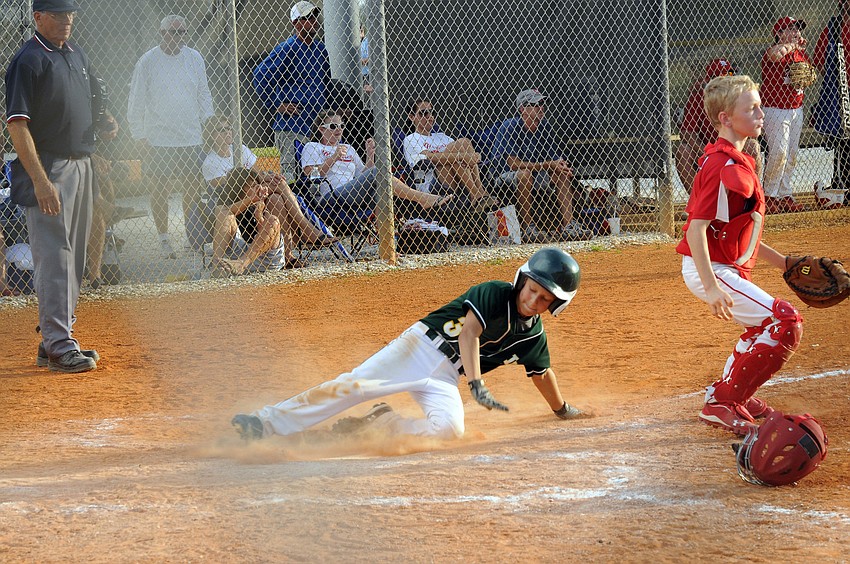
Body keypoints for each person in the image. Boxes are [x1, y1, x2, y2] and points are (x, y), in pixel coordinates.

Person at [231, 247, 587, 442]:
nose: (532, 300)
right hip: (420, 348)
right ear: (521, 281)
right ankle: (263, 424)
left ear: (556, 306)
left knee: (450, 429)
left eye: (544, 299)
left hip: (446, 376)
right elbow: (469, 334)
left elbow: (541, 374)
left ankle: (383, 423)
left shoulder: (532, 336)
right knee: (353, 386)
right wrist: (477, 385)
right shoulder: (494, 292)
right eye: (532, 289)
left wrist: (562, 409)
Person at [676, 75, 804, 436]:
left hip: (721, 266)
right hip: (710, 268)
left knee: (761, 324)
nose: (762, 113)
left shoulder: (740, 159)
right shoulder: (722, 166)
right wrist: (713, 287)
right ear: (725, 119)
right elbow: (696, 229)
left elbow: (738, 231)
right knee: (785, 322)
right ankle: (722, 403)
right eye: (751, 109)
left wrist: (785, 264)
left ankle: (731, 393)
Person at [5, 0, 119, 372]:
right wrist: (40, 180)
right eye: (58, 14)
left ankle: (56, 337)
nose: (67, 19)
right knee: (55, 256)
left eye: (70, 13)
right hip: (51, 167)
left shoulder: (75, 53)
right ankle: (58, 344)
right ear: (38, 17)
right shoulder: (28, 60)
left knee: (75, 258)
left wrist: (103, 122)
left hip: (83, 163)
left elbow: (89, 102)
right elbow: (17, 125)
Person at [127, 14, 214, 259]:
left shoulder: (194, 58)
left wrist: (209, 124)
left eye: (182, 32)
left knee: (192, 188)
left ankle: (191, 235)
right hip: (158, 139)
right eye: (173, 32)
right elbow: (136, 101)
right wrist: (138, 135)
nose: (178, 38)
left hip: (190, 137)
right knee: (159, 189)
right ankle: (164, 238)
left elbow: (204, 94)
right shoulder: (148, 61)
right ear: (162, 33)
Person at [201, 114, 335, 267]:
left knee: (277, 195)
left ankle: (287, 255)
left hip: (257, 194)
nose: (227, 132)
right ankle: (306, 228)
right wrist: (259, 179)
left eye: (228, 128)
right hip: (237, 201)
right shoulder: (210, 162)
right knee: (279, 187)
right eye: (221, 130)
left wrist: (269, 178)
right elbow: (230, 186)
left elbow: (257, 174)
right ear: (211, 135)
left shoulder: (240, 149)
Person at [300, 110, 453, 218]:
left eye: (341, 125)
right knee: (379, 173)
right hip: (331, 196)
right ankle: (422, 198)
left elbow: (363, 174)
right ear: (321, 129)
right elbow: (311, 175)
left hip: (354, 191)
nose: (339, 129)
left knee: (383, 190)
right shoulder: (312, 146)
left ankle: (388, 244)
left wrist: (369, 155)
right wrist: (333, 157)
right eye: (333, 126)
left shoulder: (349, 149)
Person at [492, 89, 593, 243]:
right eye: (535, 104)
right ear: (522, 109)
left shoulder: (544, 127)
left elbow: (554, 158)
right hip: (504, 177)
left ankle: (569, 227)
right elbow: (513, 165)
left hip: (535, 174)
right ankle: (528, 228)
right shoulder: (510, 126)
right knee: (524, 174)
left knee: (561, 173)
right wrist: (548, 165)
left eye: (542, 103)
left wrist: (561, 166)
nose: (541, 107)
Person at [253, 1, 330, 182]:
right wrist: (276, 104)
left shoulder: (320, 49)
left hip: (316, 125)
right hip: (292, 126)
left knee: (314, 175)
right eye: (307, 18)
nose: (313, 21)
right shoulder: (288, 48)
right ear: (295, 23)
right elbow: (259, 75)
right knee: (292, 177)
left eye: (314, 17)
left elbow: (326, 83)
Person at [403, 99, 499, 214]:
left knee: (465, 141)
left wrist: (473, 156)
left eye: (431, 112)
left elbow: (462, 150)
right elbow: (429, 157)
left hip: (460, 176)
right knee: (453, 151)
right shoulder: (411, 139)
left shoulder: (442, 136)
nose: (429, 116)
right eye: (423, 113)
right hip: (434, 181)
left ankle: (479, 192)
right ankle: (476, 193)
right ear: (412, 117)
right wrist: (462, 156)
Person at [760, 17, 811, 214]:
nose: (797, 31)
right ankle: (769, 195)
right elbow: (776, 55)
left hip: (796, 109)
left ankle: (785, 194)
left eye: (798, 28)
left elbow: (807, 76)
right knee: (778, 152)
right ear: (779, 34)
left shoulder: (799, 53)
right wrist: (792, 45)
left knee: (791, 155)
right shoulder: (773, 51)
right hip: (775, 110)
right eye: (790, 29)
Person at [208, 168, 286, 278]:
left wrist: (258, 215)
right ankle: (218, 265)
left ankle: (242, 264)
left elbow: (268, 238)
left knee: (273, 220)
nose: (257, 188)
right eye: (252, 186)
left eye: (257, 184)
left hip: (264, 258)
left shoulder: (261, 202)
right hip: (234, 258)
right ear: (239, 189)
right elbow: (224, 212)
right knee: (223, 212)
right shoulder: (228, 205)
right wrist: (250, 199)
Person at [812, 0, 850, 204]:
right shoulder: (834, 27)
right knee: (843, 141)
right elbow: (820, 61)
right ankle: (842, 184)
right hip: (843, 92)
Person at [359, 25, 372, 95]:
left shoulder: (367, 41)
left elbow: (371, 59)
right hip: (358, 75)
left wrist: (359, 61)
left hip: (367, 74)